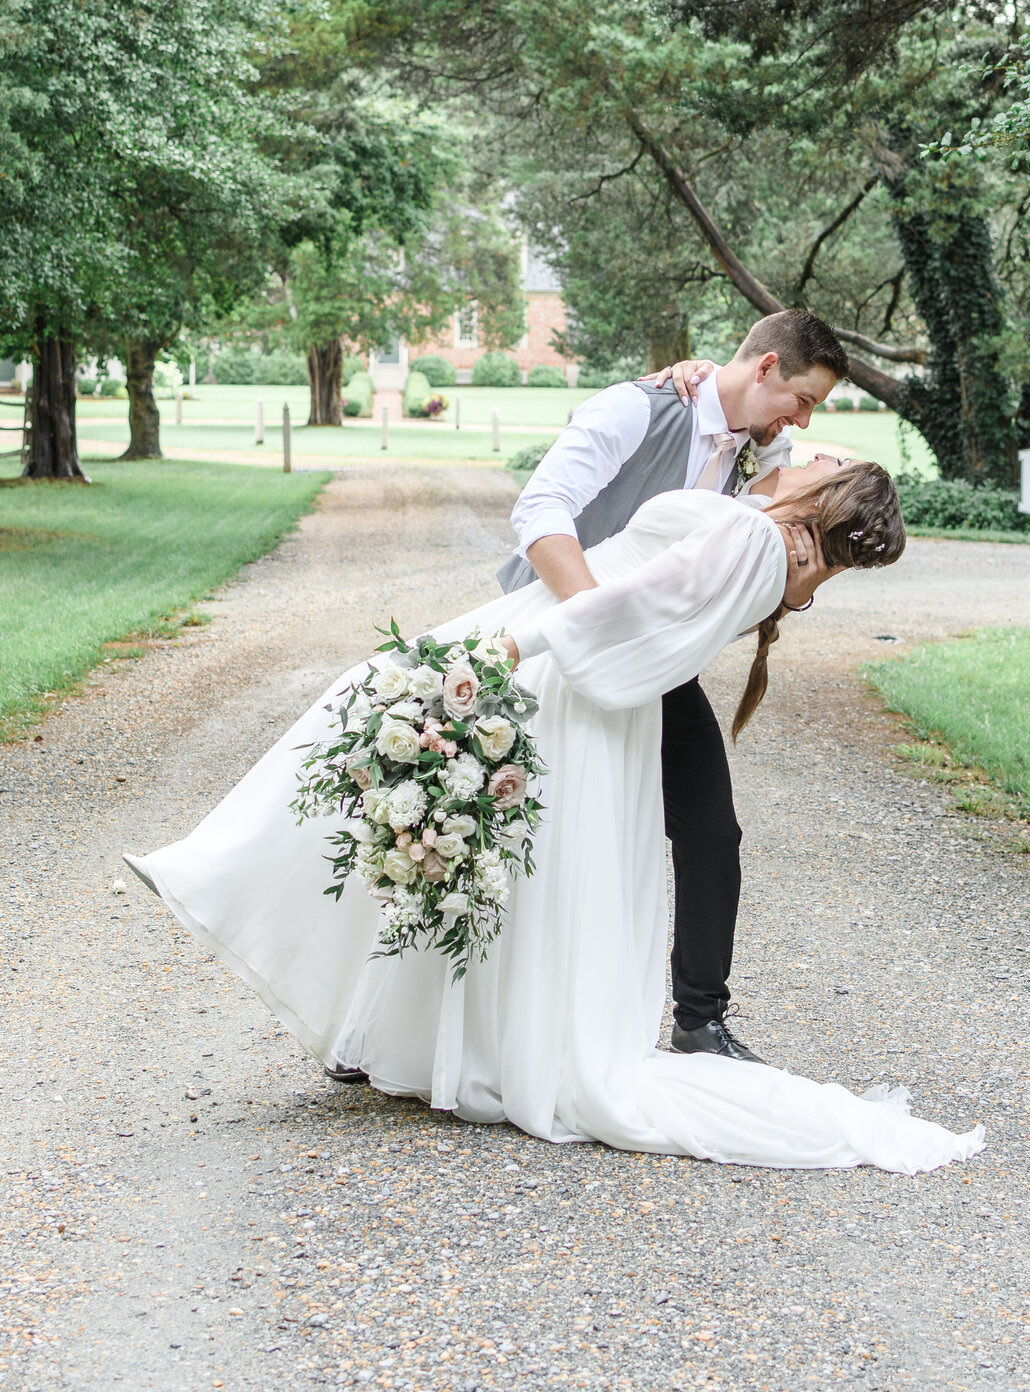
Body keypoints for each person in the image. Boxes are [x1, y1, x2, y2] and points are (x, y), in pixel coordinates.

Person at [125, 462, 986, 1174]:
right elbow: (644, 593)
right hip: (556, 653)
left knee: (427, 800)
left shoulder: (760, 541)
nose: (810, 449)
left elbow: (637, 606)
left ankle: (238, 887)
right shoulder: (759, 523)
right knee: (411, 783)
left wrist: (525, 645)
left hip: (554, 654)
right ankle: (255, 900)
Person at [498, 307, 847, 1066]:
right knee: (501, 824)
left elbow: (819, 508)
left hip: (650, 658)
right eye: (804, 397)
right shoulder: (636, 407)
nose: (803, 419)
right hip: (552, 638)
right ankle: (398, 1020)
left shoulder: (764, 446)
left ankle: (699, 1019)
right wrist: (598, 620)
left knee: (710, 828)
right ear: (764, 369)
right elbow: (539, 512)